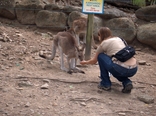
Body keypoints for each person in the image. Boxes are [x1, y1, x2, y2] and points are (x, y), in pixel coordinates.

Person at [80, 27, 138, 93]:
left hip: (120, 68)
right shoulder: (119, 39)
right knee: (116, 68)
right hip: (133, 69)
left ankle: (105, 84)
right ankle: (127, 82)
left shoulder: (104, 43)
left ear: (100, 35)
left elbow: (94, 61)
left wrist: (85, 62)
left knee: (101, 56)